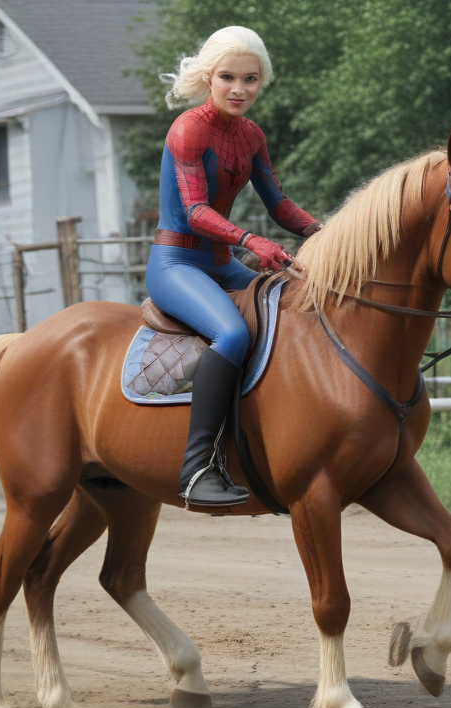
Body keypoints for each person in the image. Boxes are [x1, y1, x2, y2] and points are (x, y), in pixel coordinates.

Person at [146, 26, 321, 508]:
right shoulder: (188, 129)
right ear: (209, 77)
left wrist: (329, 235)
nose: (239, 89)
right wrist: (251, 241)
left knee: (301, 307)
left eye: (250, 79)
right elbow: (195, 211)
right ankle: (197, 469)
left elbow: (279, 204)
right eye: (228, 77)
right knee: (233, 335)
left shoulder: (252, 135)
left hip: (223, 263)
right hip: (176, 264)